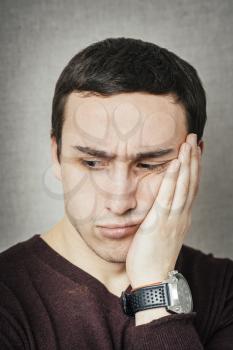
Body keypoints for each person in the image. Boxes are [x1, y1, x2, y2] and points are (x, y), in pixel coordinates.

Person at [0, 37, 232, 349]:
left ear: (195, 160)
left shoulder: (225, 289)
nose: (119, 201)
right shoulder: (7, 297)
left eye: (149, 164)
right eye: (92, 162)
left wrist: (153, 287)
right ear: (56, 155)